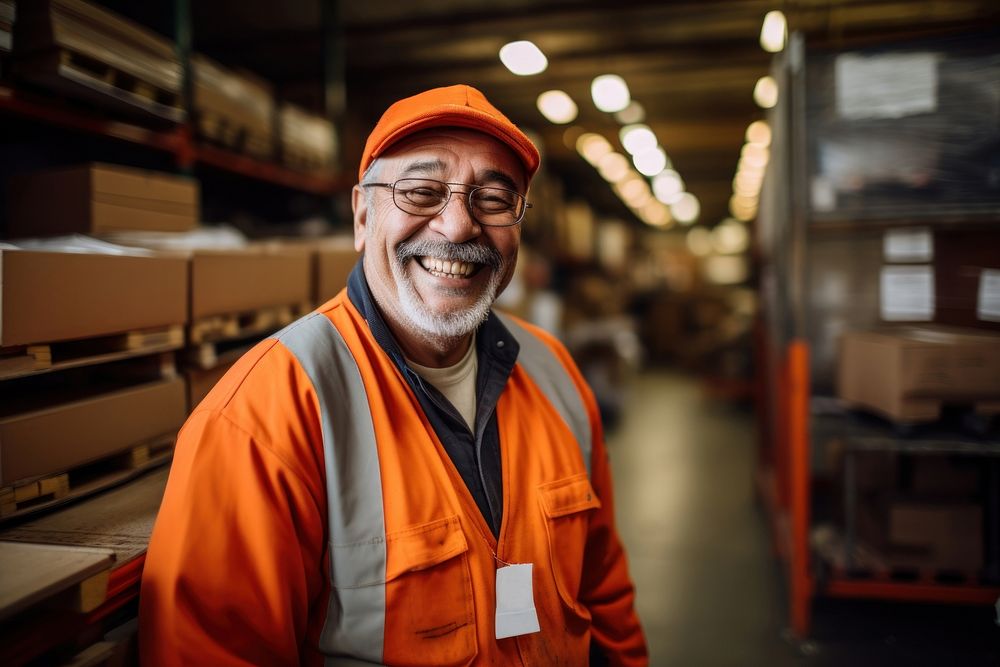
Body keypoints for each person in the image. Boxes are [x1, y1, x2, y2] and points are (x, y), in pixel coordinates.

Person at [139, 84, 648, 666]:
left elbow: (605, 601)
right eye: (421, 191)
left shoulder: (555, 374)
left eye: (493, 198)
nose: (457, 226)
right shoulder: (266, 413)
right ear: (362, 214)